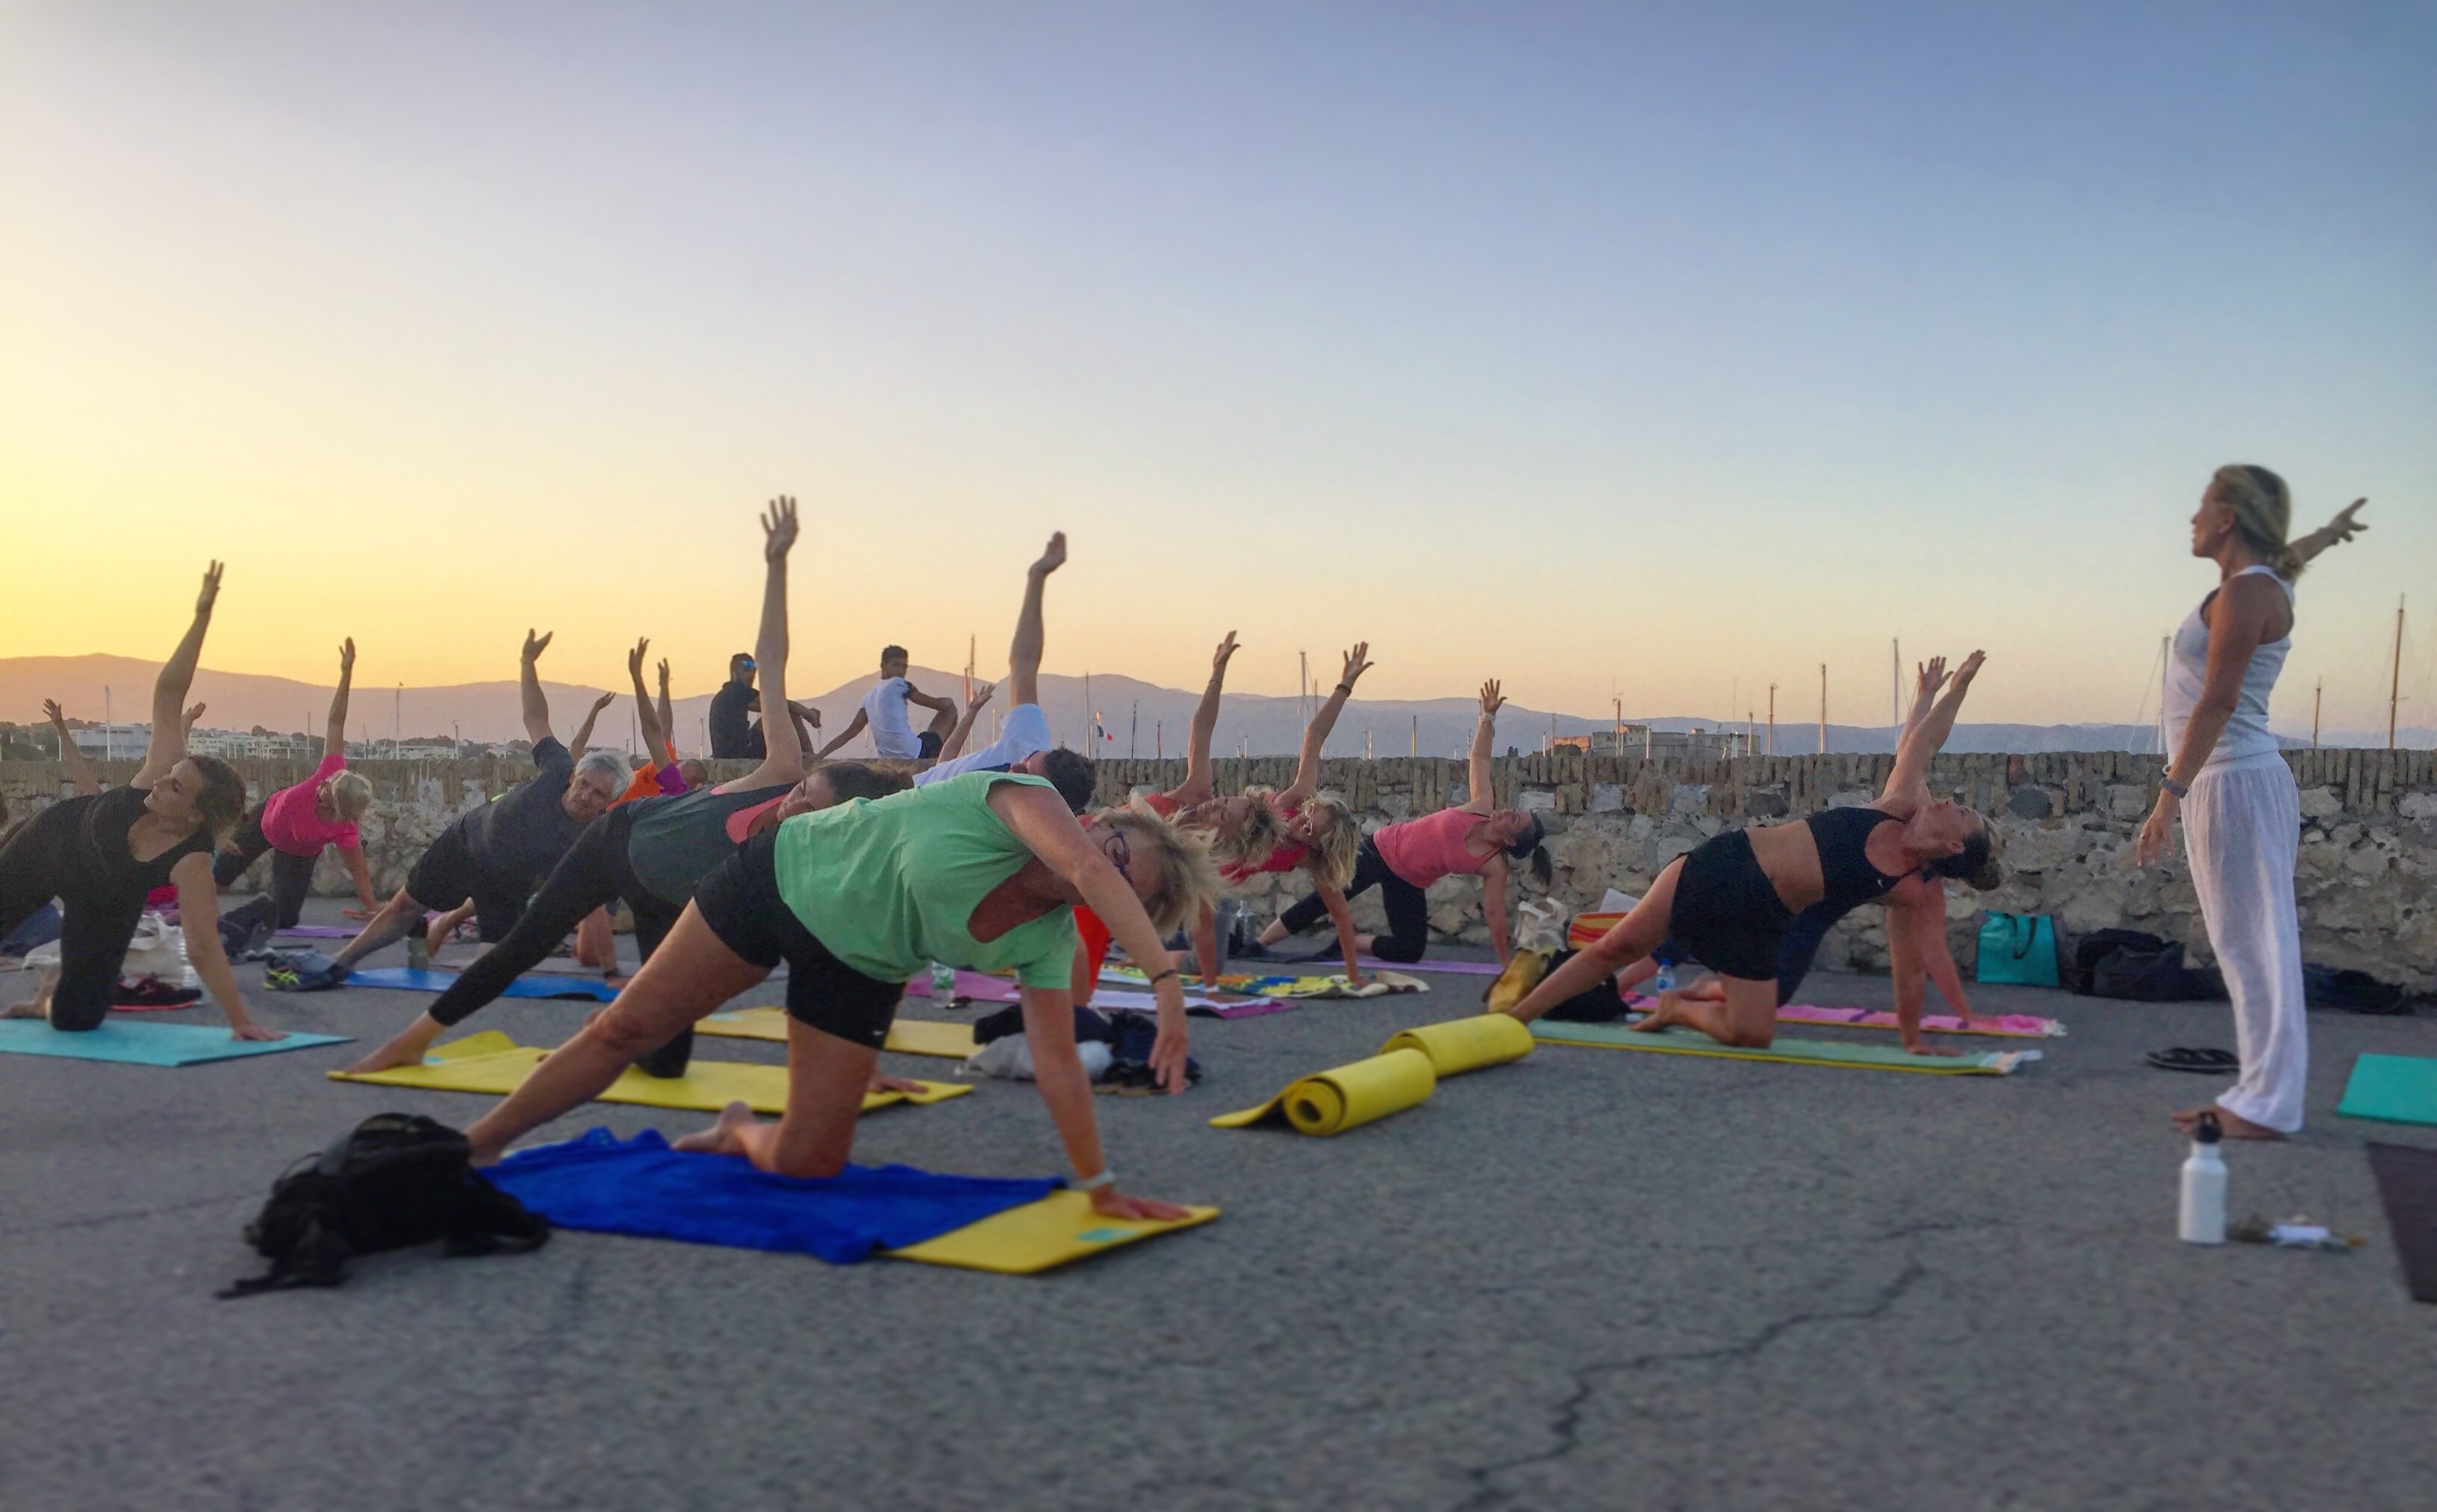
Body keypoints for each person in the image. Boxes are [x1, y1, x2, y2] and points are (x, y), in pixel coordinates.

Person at [459, 771, 1219, 1222]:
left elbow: (1058, 1065)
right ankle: (480, 1143)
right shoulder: (1026, 798)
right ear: (1095, 827)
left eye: (1128, 885)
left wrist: (1100, 1188)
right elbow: (1086, 867)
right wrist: (1165, 988)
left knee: (809, 1164)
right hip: (779, 881)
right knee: (628, 1029)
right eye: (1117, 852)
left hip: (860, 963)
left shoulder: (1046, 940)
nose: (1108, 873)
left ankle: (735, 1131)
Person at [345, 497, 896, 1077]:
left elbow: (841, 958)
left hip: (662, 899)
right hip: (615, 841)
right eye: (803, 789)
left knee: (666, 1063)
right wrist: (777, 565)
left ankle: (612, 1028)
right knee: (522, 946)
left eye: (810, 807)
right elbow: (773, 660)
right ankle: (413, 1038)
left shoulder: (805, 869)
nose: (794, 801)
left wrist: (861, 1059)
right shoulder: (781, 770)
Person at [1502, 652, 1997, 1048]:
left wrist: (1912, 1041)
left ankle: (1676, 1008)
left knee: (1755, 1033)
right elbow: (1924, 740)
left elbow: (1910, 968)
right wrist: (1957, 688)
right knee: (1620, 946)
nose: (1952, 800)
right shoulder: (1902, 803)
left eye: (1963, 812)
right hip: (1730, 864)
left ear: (1954, 843)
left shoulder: (1916, 890)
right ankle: (1516, 1016)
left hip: (1764, 920)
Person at [2136, 470, 2367, 1139]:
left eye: (2203, 504)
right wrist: (2329, 533)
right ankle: (2262, 1092)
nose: (2193, 516)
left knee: (2256, 946)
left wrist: (2167, 797)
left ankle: (2269, 1104)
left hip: (2231, 778)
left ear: (2230, 516)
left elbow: (2219, 699)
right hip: (2230, 778)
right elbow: (2295, 557)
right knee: (2246, 944)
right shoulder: (2264, 580)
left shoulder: (2246, 592)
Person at [0, 564, 278, 1039]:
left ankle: (48, 996)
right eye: (168, 775)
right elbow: (169, 691)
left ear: (194, 814)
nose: (160, 782)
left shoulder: (191, 861)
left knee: (77, 1020)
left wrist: (241, 1023)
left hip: (106, 898)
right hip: (50, 845)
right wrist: (201, 617)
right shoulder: (158, 772)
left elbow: (204, 944)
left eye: (175, 786)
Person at [277, 629, 629, 988]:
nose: (586, 796)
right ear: (574, 778)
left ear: (609, 802)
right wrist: (527, 663)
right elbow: (536, 718)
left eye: (598, 795)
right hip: (464, 844)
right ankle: (340, 963)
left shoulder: (594, 836)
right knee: (404, 909)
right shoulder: (558, 769)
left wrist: (613, 972)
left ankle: (447, 954)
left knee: (488, 978)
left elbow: (597, 911)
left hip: (505, 889)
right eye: (584, 785)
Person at [1263, 679, 1551, 968]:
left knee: (1409, 950)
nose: (1506, 812)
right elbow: (1480, 758)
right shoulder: (1481, 806)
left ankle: (1346, 943)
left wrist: (1503, 962)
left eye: (1513, 819)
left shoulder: (1493, 866)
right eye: (1513, 809)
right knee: (1326, 898)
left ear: (1511, 841)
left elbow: (1494, 914)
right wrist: (1488, 717)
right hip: (1380, 849)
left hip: (1408, 881)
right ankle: (1258, 945)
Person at [212, 639, 380, 953]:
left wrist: (371, 909)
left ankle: (250, 912)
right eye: (327, 783)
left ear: (338, 807)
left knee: (286, 919)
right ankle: (189, 917)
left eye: (327, 792)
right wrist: (346, 674)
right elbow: (335, 721)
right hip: (264, 821)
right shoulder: (330, 769)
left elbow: (358, 870)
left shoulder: (344, 829)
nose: (321, 786)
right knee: (220, 875)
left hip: (298, 852)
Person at [1219, 644, 1372, 984]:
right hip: (1209, 830)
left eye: (1308, 830)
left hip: (1213, 878)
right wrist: (1344, 687)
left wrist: (1352, 975)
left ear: (1316, 846)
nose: (1299, 823)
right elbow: (1314, 735)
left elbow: (1342, 920)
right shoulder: (1295, 797)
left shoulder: (1310, 859)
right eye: (1308, 815)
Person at [819, 645, 959, 762]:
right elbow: (939, 705)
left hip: (890, 758)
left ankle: (941, 753)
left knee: (926, 737)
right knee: (951, 710)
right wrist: (948, 701)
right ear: (884, 666)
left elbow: (849, 733)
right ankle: (944, 759)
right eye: (896, 666)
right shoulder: (899, 684)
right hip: (916, 754)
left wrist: (820, 756)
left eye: (904, 667)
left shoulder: (869, 698)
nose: (901, 671)